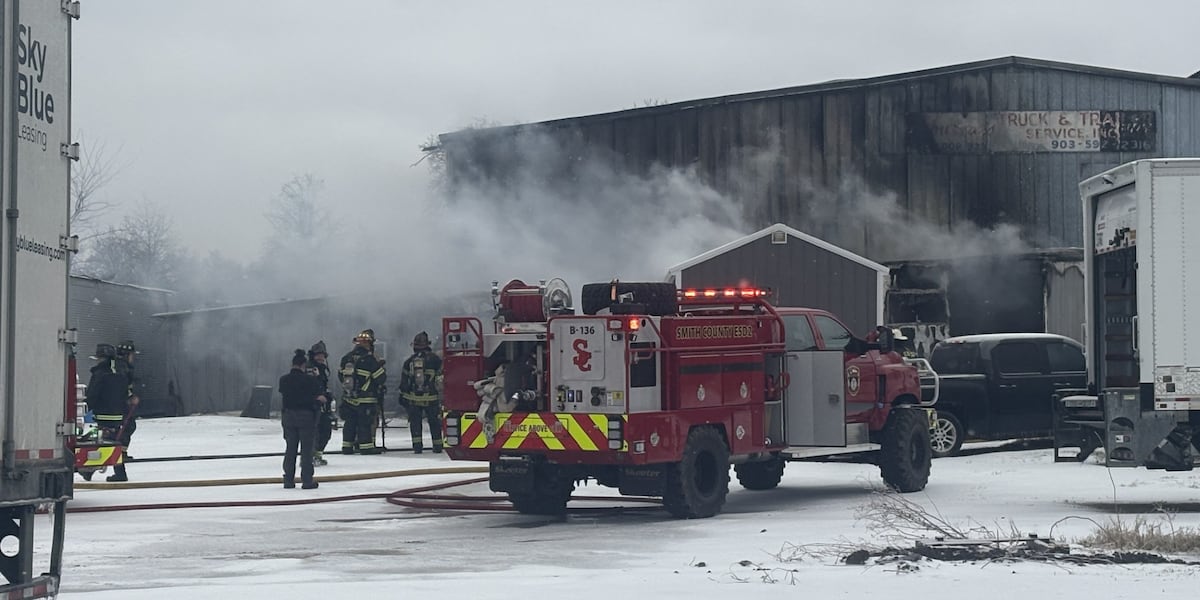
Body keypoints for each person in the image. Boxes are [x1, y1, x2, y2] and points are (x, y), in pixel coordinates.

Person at [84, 343, 134, 482]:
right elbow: (126, 392)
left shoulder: (100, 373)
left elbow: (92, 395)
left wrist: (87, 406)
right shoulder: (121, 372)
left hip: (103, 415)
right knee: (112, 442)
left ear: (101, 358)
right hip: (119, 415)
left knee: (102, 443)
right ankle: (95, 472)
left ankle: (92, 470)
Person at [279, 349, 326, 489]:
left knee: (290, 449)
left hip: (288, 417)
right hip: (306, 417)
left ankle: (288, 479)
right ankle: (307, 480)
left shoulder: (284, 380)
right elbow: (319, 395)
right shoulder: (309, 380)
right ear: (303, 365)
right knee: (306, 450)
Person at [338, 329, 386, 455]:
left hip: (349, 398)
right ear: (369, 344)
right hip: (366, 399)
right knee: (364, 423)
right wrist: (379, 365)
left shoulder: (346, 358)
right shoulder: (369, 359)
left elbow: (340, 376)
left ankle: (347, 447)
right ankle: (366, 448)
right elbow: (380, 378)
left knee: (350, 423)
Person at [399, 331, 443, 454]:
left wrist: (403, 397)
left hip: (413, 399)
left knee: (415, 423)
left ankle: (417, 447)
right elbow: (441, 377)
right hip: (431, 397)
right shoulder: (435, 359)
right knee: (434, 422)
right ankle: (437, 446)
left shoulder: (409, 361)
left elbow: (404, 383)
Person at [306, 340, 334, 466]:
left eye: (323, 355)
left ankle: (317, 455)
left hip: (323, 406)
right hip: (313, 406)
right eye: (318, 355)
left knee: (325, 431)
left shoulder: (322, 369)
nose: (321, 357)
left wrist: (327, 394)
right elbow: (311, 386)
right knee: (315, 432)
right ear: (313, 355)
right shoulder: (310, 368)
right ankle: (310, 457)